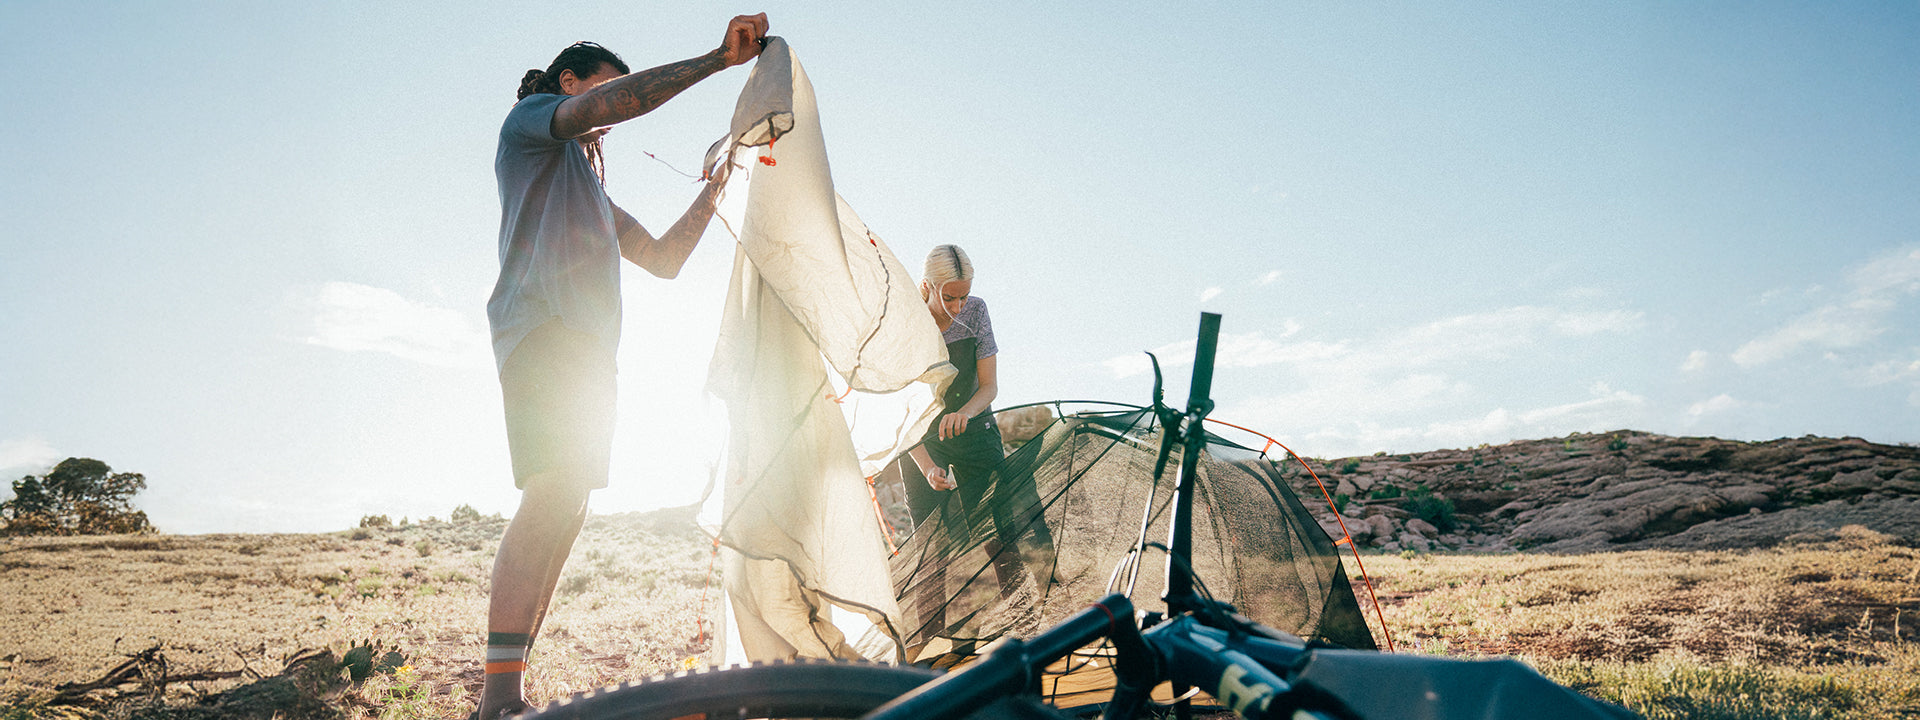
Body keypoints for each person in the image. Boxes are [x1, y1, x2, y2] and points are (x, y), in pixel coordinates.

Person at [479, 14, 767, 720]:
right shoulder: (532, 120)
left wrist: (719, 182)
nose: (611, 117)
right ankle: (497, 700)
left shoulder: (587, 188)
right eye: (603, 95)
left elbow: (664, 259)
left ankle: (512, 688)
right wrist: (714, 62)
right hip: (541, 331)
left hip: (588, 353)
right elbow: (620, 103)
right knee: (550, 495)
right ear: (569, 84)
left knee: (569, 506)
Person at [898, 246, 1055, 599]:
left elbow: (989, 386)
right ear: (927, 287)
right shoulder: (906, 325)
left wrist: (964, 413)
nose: (958, 307)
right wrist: (926, 467)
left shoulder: (977, 311)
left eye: (964, 296)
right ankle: (936, 643)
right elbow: (899, 410)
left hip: (975, 427)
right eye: (949, 297)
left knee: (998, 530)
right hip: (919, 439)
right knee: (930, 545)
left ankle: (1026, 618)